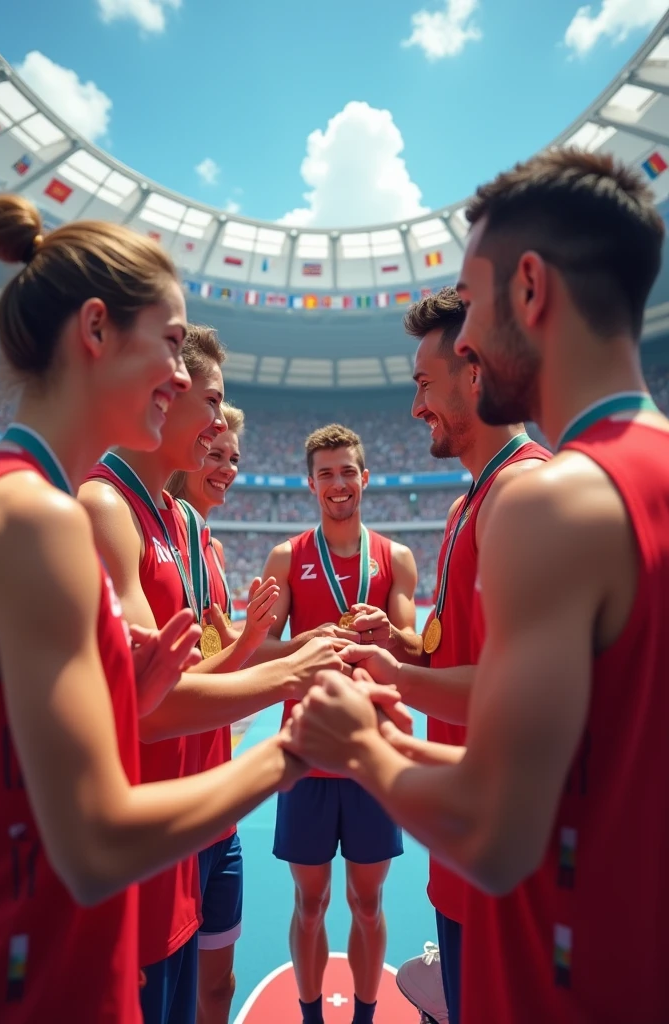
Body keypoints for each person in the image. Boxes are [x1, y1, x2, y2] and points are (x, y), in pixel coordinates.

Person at [286, 148, 669, 1023]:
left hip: (549, 970)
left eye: (471, 304)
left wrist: (361, 747)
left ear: (528, 289)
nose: (463, 342)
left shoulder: (552, 499)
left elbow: (498, 838)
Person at [0, 194, 306, 1024]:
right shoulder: (41, 517)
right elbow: (92, 848)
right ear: (95, 330)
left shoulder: (25, 500)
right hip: (48, 980)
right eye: (168, 344)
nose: (179, 373)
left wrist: (141, 691)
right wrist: (294, 751)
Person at [79, 341, 346, 1024]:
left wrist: (273, 649)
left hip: (191, 817)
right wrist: (289, 673)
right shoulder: (103, 506)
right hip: (143, 832)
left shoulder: (184, 524)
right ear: (160, 397)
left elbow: (195, 670)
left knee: (202, 996)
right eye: (213, 403)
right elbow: (147, 705)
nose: (221, 428)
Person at [345, 287, 550, 1024]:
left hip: (505, 868)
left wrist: (392, 683)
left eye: (423, 385)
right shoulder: (471, 502)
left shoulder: (523, 493)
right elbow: (466, 645)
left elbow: (520, 695)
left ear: (475, 372)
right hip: (463, 856)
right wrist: (403, 646)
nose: (414, 409)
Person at [262, 424, 418, 1024]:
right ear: (310, 484)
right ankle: (310, 1018)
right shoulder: (288, 557)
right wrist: (306, 643)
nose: (337, 484)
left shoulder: (394, 558)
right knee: (310, 902)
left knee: (368, 903)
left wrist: (391, 632)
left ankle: (364, 1017)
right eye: (325, 473)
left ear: (365, 478)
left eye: (346, 471)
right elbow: (257, 653)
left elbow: (410, 651)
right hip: (304, 754)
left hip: (371, 756)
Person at [167, 402, 247, 1024]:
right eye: (215, 453)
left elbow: (220, 664)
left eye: (233, 458)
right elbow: (170, 690)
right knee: (169, 994)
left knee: (215, 986)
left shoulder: (210, 552)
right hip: (173, 812)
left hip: (218, 808)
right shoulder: (152, 536)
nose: (225, 468)